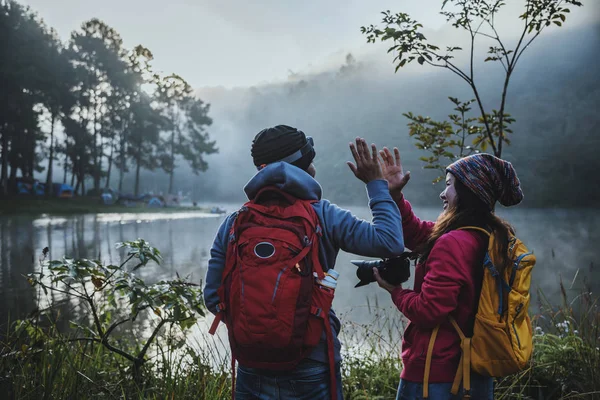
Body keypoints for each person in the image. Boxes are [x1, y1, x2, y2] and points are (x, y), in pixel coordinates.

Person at [204, 125, 405, 400]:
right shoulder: (324, 215)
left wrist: (259, 327)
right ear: (305, 167)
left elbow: (213, 297)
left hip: (251, 362)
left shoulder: (235, 222)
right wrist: (376, 184)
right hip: (312, 359)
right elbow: (390, 242)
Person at [373, 148, 524, 400]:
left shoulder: (452, 242)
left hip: (438, 375)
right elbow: (418, 233)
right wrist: (395, 195)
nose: (443, 193)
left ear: (468, 191)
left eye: (449, 185)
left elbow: (428, 311)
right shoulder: (490, 237)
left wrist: (395, 292)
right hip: (473, 368)